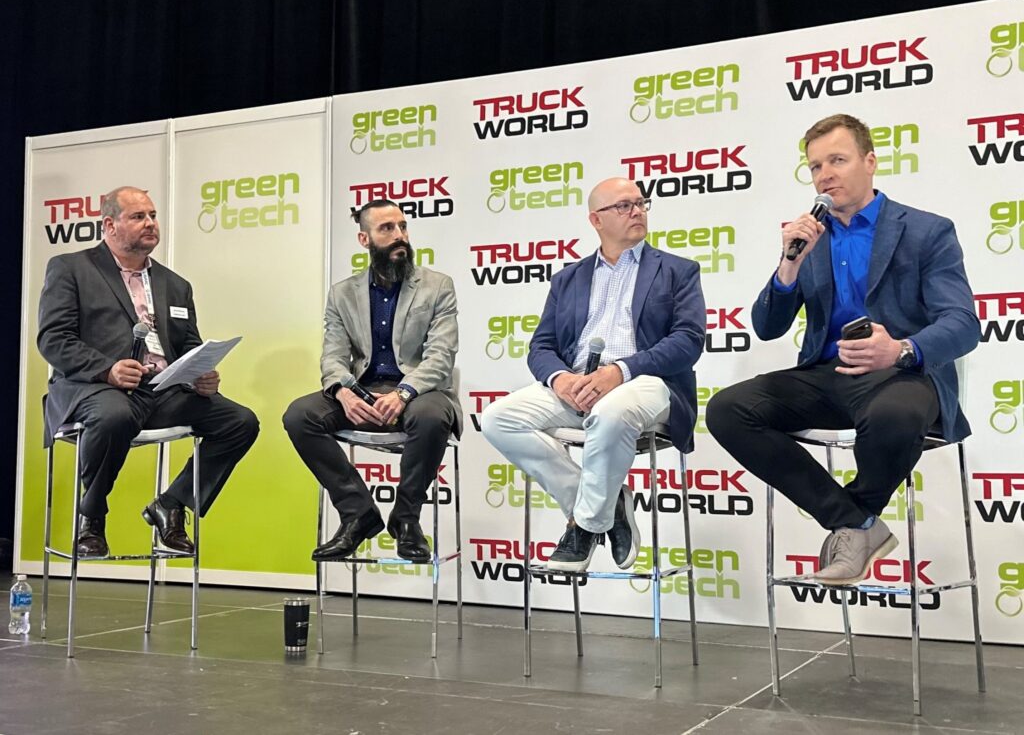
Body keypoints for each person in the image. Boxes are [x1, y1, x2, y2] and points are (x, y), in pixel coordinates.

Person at [707, 114, 980, 585]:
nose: (824, 174)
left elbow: (963, 324)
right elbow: (766, 327)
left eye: (837, 160)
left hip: (903, 373)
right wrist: (789, 266)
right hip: (827, 374)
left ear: (870, 162)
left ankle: (856, 521)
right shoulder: (808, 237)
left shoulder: (927, 231)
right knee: (727, 409)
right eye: (815, 166)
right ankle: (855, 522)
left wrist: (900, 349)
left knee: (894, 414)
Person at [481, 177, 706, 572]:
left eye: (640, 203)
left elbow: (688, 342)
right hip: (578, 385)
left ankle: (583, 527)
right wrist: (561, 380)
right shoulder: (568, 278)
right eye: (623, 205)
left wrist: (620, 371)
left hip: (648, 383)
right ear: (595, 220)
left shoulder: (677, 271)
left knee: (611, 412)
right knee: (498, 419)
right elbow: (542, 346)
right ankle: (609, 502)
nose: (637, 211)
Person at [37, 186, 260, 558]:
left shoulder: (175, 285)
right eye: (138, 216)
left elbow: (189, 343)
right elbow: (53, 339)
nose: (150, 224)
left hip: (161, 391)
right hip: (96, 390)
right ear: (109, 224)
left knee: (240, 421)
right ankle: (92, 518)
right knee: (114, 414)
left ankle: (171, 504)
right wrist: (106, 370)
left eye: (153, 216)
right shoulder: (72, 268)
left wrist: (201, 372)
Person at [283, 199, 460, 562]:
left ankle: (406, 518)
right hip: (363, 388)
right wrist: (343, 390)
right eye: (387, 229)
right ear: (365, 239)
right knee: (300, 416)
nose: (399, 236)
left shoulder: (438, 286)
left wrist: (404, 392)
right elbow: (333, 355)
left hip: (420, 391)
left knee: (430, 417)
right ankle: (358, 512)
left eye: (402, 226)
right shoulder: (342, 293)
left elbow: (441, 356)